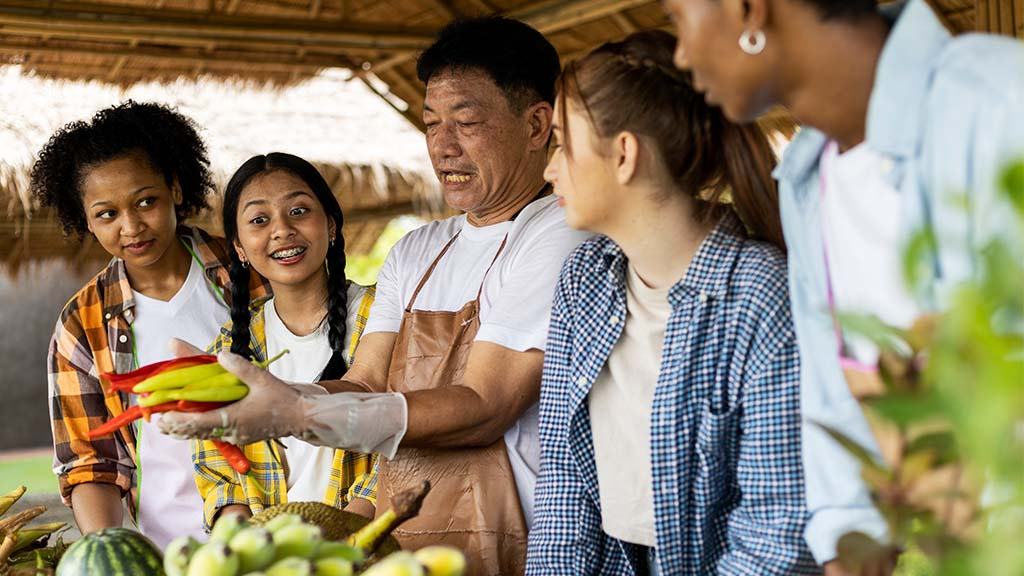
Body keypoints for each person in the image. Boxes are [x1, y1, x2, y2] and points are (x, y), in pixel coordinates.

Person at [161, 17, 591, 574]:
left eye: (466, 122)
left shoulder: (558, 232)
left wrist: (293, 410)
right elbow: (365, 382)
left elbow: (486, 406)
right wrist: (269, 395)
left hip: (527, 546)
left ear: (536, 125)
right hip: (404, 546)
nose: (442, 146)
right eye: (431, 123)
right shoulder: (417, 250)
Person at [662, 0, 1024, 573]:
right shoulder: (809, 179)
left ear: (748, 10)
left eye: (678, 19)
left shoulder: (999, 105)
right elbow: (836, 406)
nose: (682, 54)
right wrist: (847, 542)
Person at [525, 30, 818, 575]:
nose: (550, 168)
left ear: (624, 154)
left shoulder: (758, 294)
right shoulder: (582, 281)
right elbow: (564, 491)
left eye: (562, 143)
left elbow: (777, 534)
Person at [33, 101, 269, 548]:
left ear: (175, 188)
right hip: (167, 548)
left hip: (282, 522)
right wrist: (110, 554)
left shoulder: (249, 269)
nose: (132, 226)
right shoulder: (81, 323)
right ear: (85, 219)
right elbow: (90, 463)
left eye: (146, 201)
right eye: (107, 214)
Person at [191, 153, 378, 531]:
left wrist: (341, 540)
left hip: (367, 544)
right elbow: (218, 472)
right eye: (259, 220)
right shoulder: (229, 347)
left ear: (330, 224)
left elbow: (405, 451)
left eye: (298, 211)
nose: (282, 230)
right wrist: (243, 539)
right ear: (239, 248)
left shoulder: (382, 319)